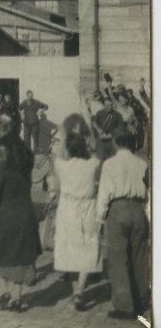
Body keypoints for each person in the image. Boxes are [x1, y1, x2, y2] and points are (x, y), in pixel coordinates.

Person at [0, 128, 42, 313]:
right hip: (26, 215)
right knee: (21, 259)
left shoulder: (1, 167)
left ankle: (7, 293)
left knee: (0, 259)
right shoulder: (26, 167)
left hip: (6, 217)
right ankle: (16, 299)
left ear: (7, 149)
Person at [96, 131, 150, 320]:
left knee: (118, 258)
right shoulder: (142, 164)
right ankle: (142, 300)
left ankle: (124, 306)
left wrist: (99, 219)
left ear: (115, 142)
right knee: (140, 257)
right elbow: (149, 193)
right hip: (138, 209)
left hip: (118, 210)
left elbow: (104, 193)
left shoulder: (109, 164)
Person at [50, 115, 101, 312]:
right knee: (88, 247)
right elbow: (95, 149)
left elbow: (57, 155)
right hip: (87, 208)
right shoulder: (92, 165)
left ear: (69, 149)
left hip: (68, 209)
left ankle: (75, 291)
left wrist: (64, 134)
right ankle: (80, 289)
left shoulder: (62, 166)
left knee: (69, 249)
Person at [91, 94, 125, 162]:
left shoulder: (118, 115)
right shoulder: (99, 113)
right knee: (100, 160)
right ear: (103, 105)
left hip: (112, 140)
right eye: (108, 105)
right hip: (101, 140)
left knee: (113, 160)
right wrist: (98, 130)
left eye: (111, 105)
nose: (110, 107)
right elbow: (94, 123)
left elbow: (120, 129)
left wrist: (111, 135)